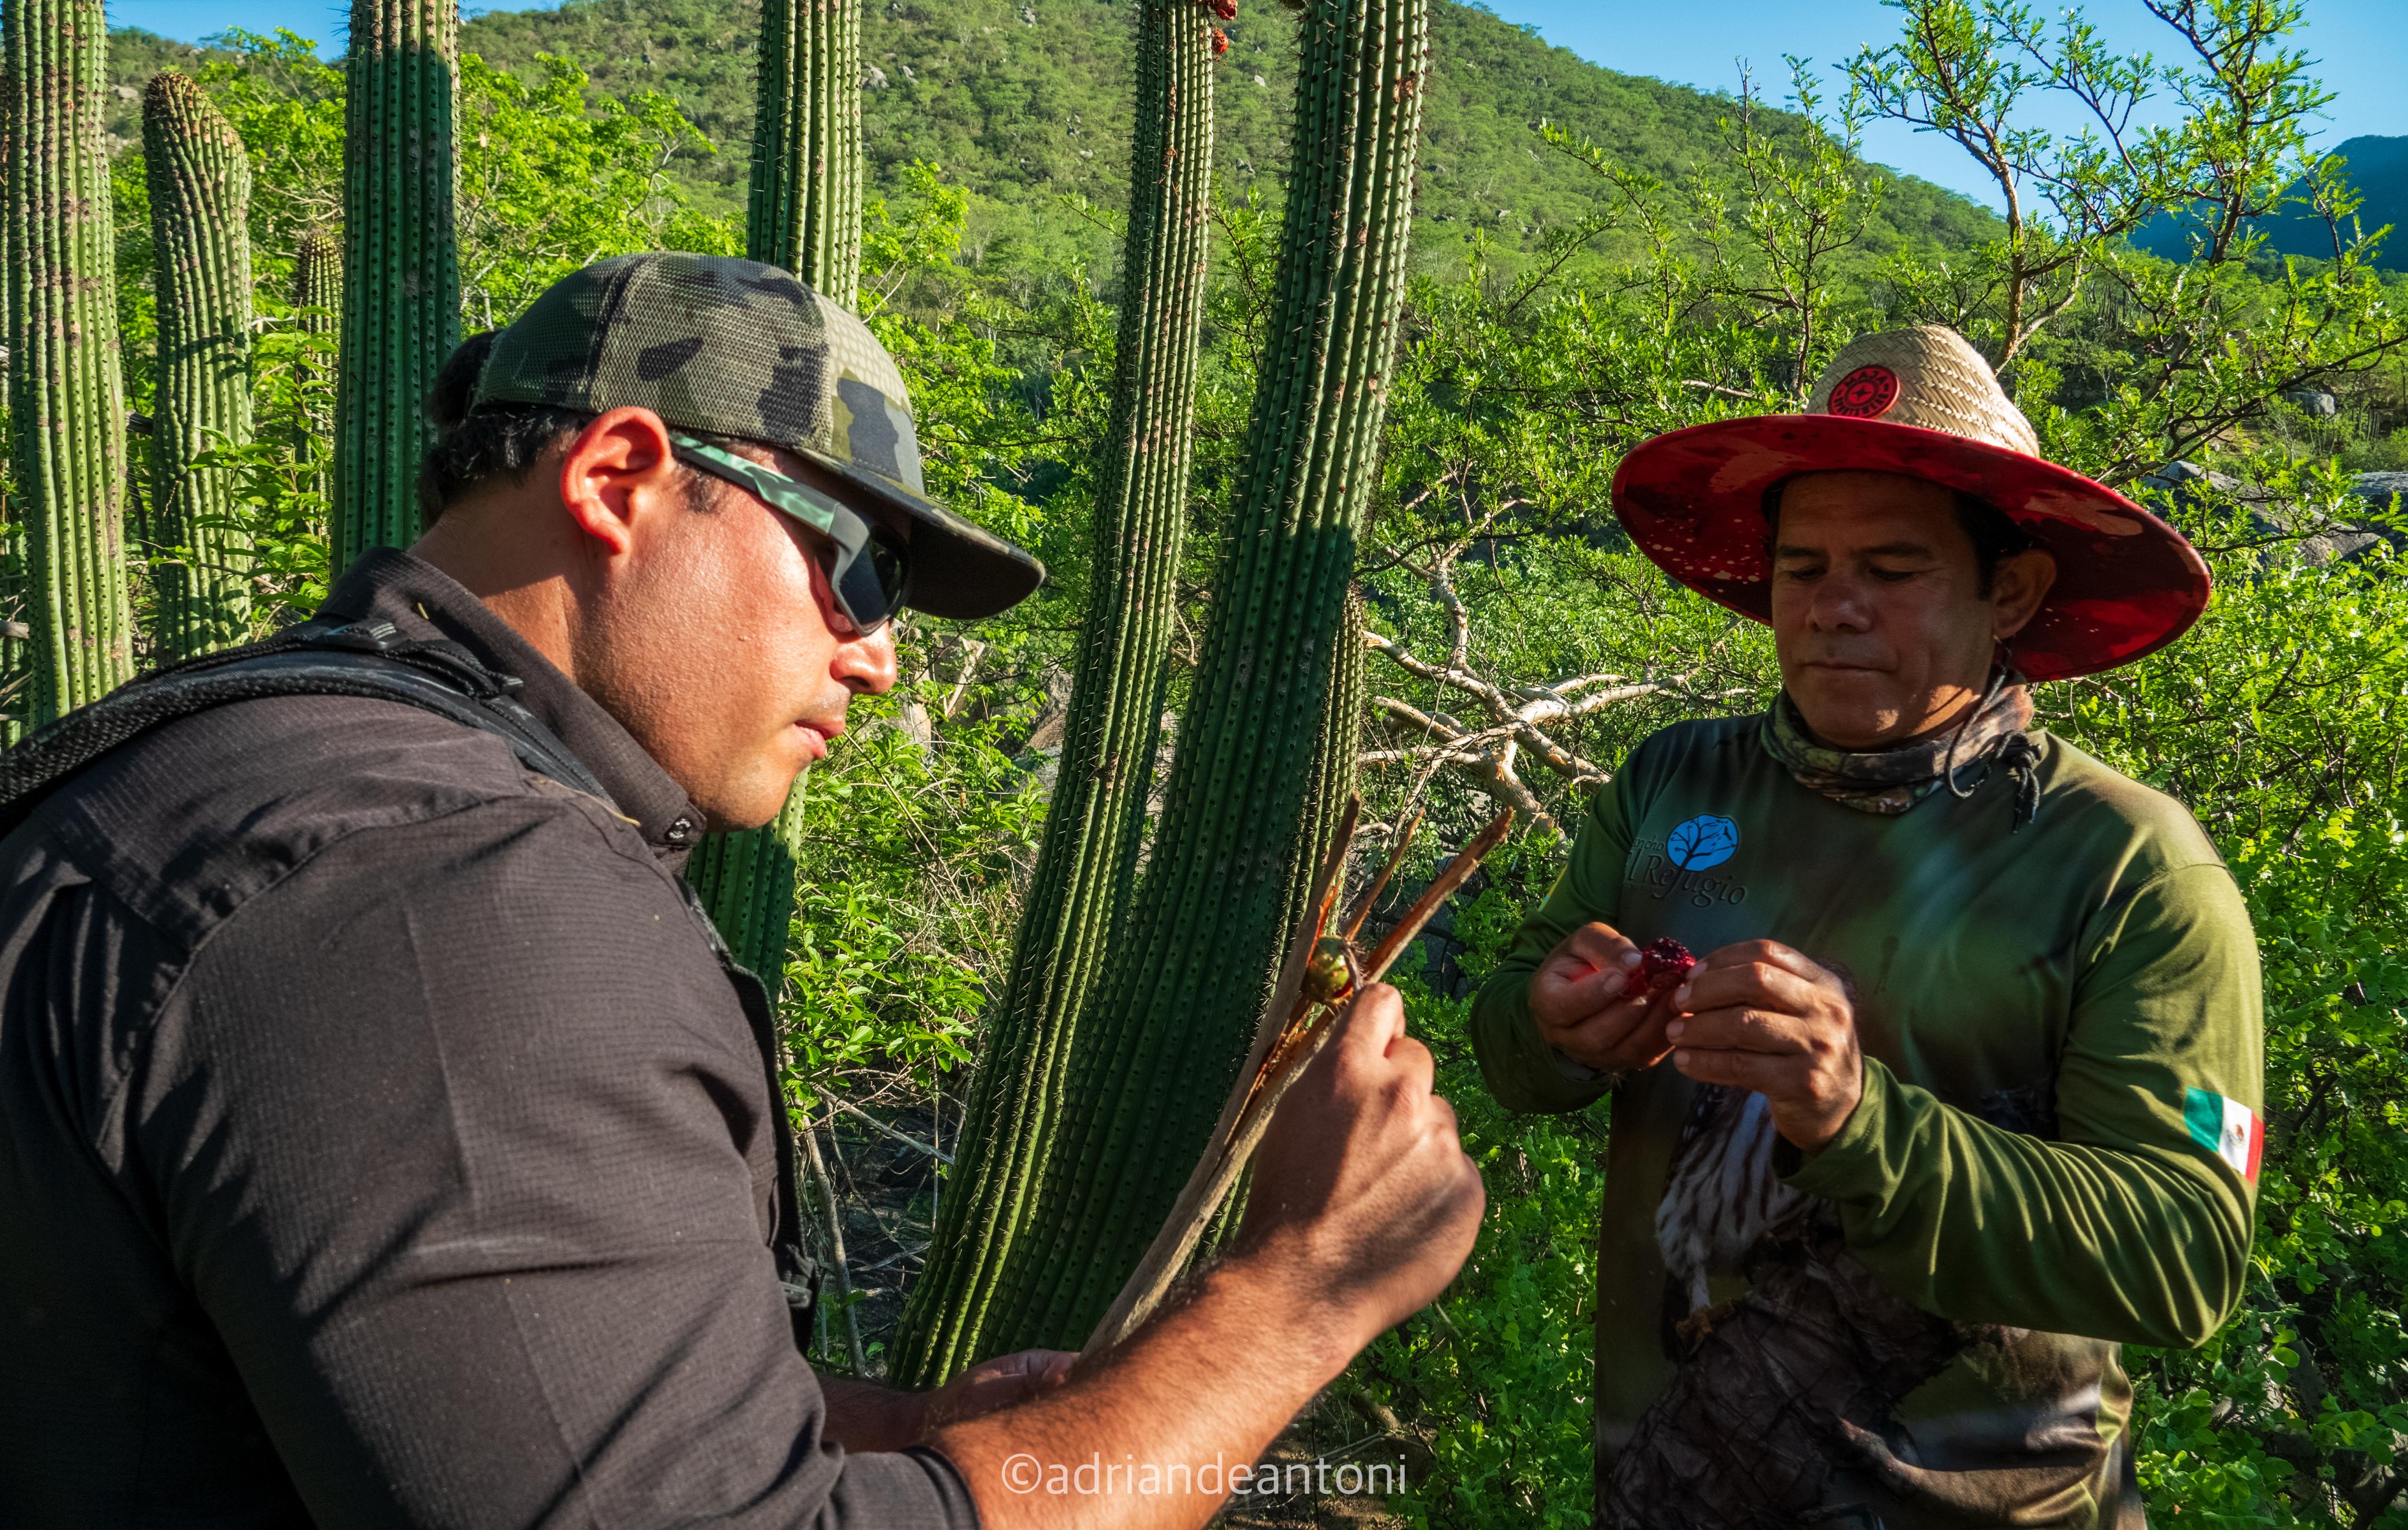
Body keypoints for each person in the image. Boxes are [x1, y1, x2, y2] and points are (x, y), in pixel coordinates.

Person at [0, 252, 1485, 1529]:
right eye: (864, 568)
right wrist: (1305, 1286)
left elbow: (445, 1375)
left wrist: (903, 1429)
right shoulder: (456, 897)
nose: (879, 654)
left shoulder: (226, 757)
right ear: (618, 478)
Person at [1470, 326, 2262, 1529]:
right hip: (1656, 1488)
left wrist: (1856, 1120)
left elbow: (2181, 1255)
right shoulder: (1674, 782)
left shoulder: (2127, 863)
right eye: (1802, 569)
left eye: (1892, 570)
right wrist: (1552, 1027)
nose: (1835, 609)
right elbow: (1511, 1042)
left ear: (2011, 591)